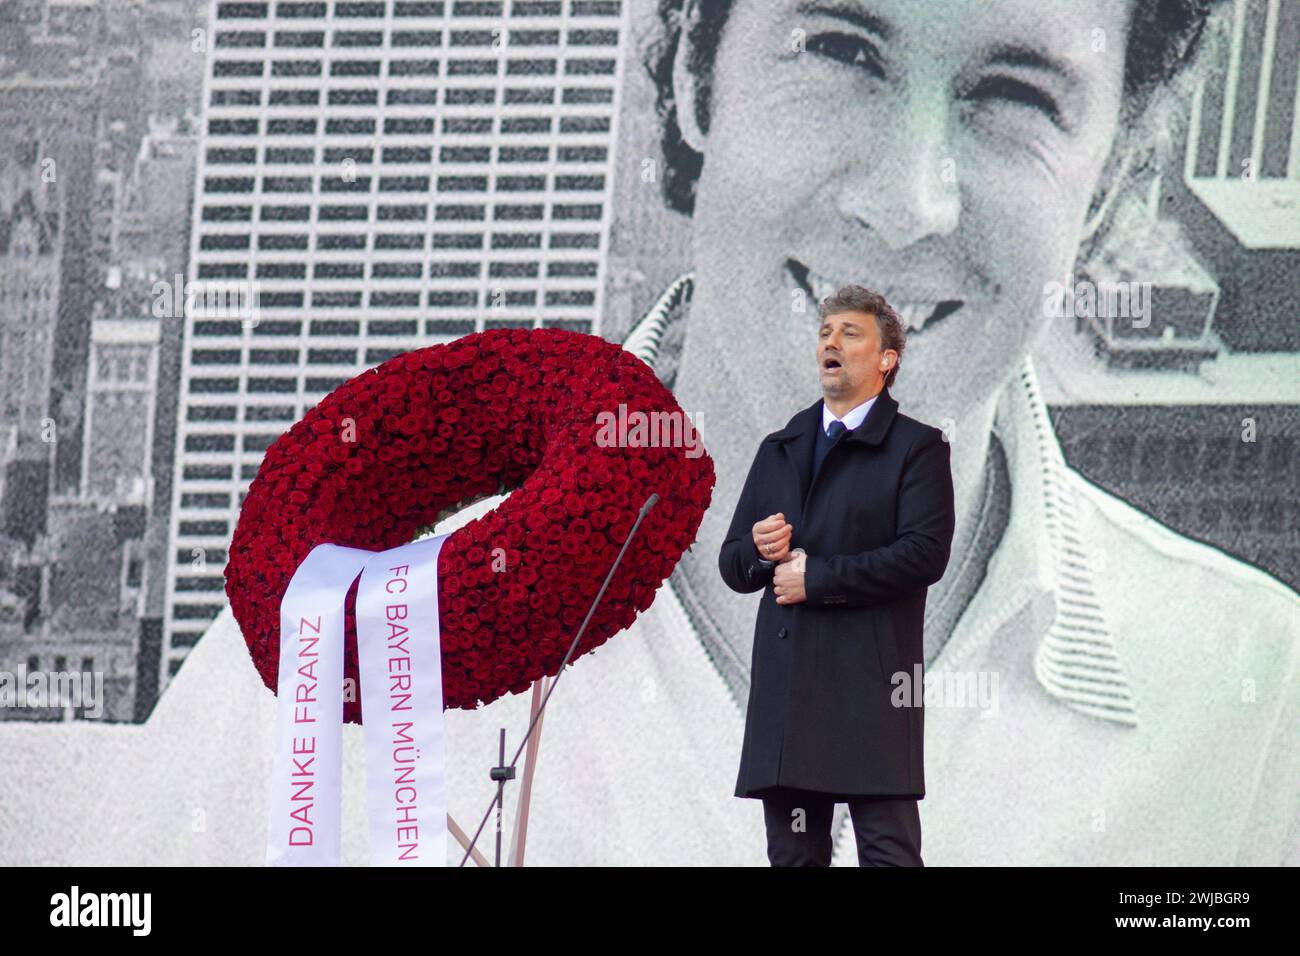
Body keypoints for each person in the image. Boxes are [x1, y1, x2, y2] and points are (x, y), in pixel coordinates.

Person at [0, 0, 1295, 866]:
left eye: (1013, 95)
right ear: (691, 76)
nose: (909, 203)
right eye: (841, 48)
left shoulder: (1255, 726)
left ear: (1112, 181)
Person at [719, 285, 955, 866]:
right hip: (789, 691)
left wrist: (819, 579)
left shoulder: (917, 447)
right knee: (793, 857)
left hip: (872, 689)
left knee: (888, 856)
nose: (832, 342)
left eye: (851, 334)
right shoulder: (780, 446)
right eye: (825, 332)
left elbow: (924, 555)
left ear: (886, 359)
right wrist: (758, 549)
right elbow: (733, 563)